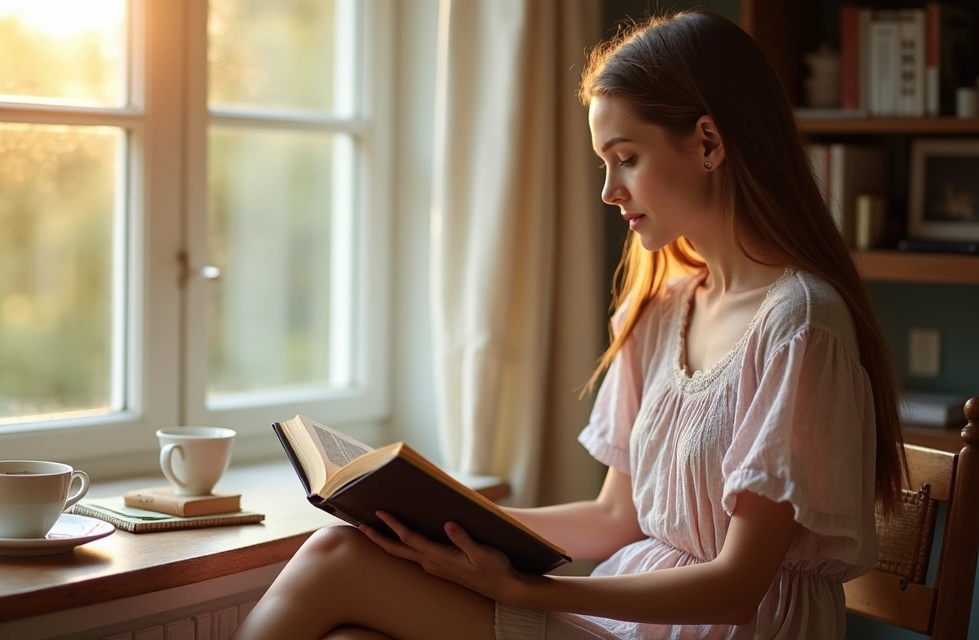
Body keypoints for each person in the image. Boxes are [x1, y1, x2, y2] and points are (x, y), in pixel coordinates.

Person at [231, 10, 905, 640]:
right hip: (633, 620)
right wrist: (442, 525)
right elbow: (618, 519)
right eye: (604, 164)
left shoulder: (800, 324)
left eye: (627, 158)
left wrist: (532, 594)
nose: (610, 191)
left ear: (707, 142)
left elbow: (736, 588)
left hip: (724, 628)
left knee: (334, 559)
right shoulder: (666, 308)